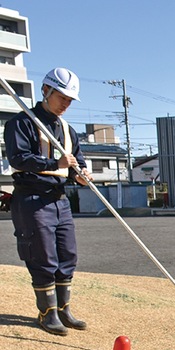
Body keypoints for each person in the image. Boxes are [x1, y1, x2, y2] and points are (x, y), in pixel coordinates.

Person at [4, 67, 92, 336]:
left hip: (59, 199)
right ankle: (47, 313)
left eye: (69, 100)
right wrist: (55, 163)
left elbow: (77, 159)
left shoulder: (67, 129)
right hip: (31, 198)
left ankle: (64, 309)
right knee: (42, 256)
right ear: (46, 91)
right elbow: (18, 159)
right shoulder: (21, 123)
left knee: (68, 254)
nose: (65, 103)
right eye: (62, 97)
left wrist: (82, 174)